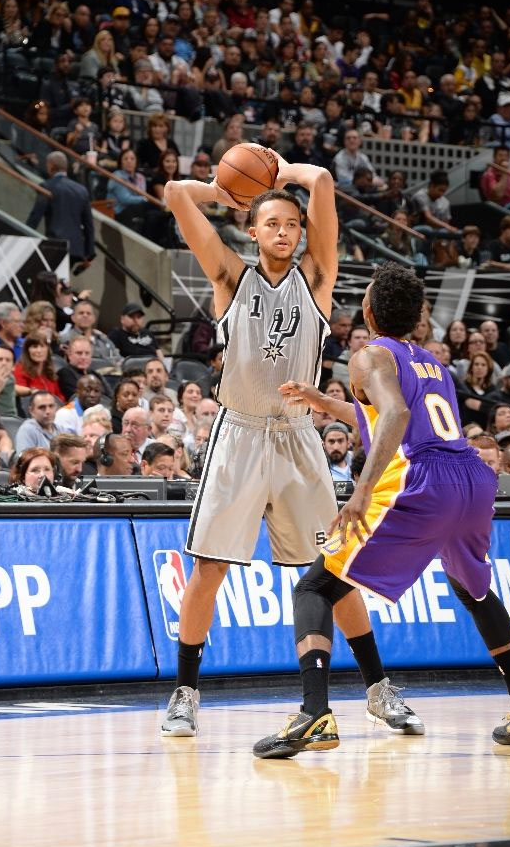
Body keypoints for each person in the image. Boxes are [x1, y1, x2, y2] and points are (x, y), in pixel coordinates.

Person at [160, 152, 422, 739]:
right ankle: (184, 691)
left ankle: (379, 689)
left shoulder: (318, 278)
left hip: (299, 435)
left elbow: (323, 180)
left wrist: (281, 172)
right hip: (241, 433)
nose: (284, 232)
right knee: (208, 571)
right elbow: (176, 193)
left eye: (292, 225)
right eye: (272, 223)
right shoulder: (229, 275)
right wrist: (221, 190)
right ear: (252, 233)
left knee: (333, 569)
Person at [253, 263, 510, 758]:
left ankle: (314, 715)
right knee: (474, 592)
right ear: (416, 318)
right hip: (472, 480)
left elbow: (395, 415)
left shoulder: (368, 354)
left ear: (368, 310)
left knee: (315, 586)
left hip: (423, 481)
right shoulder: (430, 361)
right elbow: (382, 415)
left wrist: (363, 489)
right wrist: (323, 401)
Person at [26, 152, 95, 268]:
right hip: (75, 248)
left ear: (51, 166)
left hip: (54, 244)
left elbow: (35, 216)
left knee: (51, 281)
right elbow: (89, 225)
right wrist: (89, 253)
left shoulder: (46, 186)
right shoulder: (81, 190)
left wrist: (24, 235)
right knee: (62, 282)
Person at [13, 333, 65, 400]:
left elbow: (59, 397)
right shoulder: (21, 369)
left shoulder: (50, 372)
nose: (39, 351)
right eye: (35, 347)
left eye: (42, 346)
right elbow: (18, 391)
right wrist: (33, 391)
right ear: (27, 350)